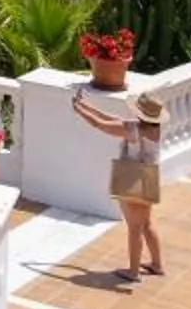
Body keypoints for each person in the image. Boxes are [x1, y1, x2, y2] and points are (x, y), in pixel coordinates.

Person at [72, 89, 167, 282]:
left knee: (135, 228)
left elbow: (100, 124)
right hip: (149, 178)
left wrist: (79, 111)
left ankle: (132, 271)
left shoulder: (133, 130)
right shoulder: (153, 129)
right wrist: (85, 105)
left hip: (133, 180)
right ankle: (157, 264)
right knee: (146, 223)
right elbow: (110, 118)